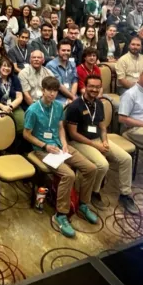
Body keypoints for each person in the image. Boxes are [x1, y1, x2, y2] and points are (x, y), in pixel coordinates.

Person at [24, 76, 98, 238]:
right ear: (43, 90)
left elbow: (60, 128)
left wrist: (64, 143)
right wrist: (44, 146)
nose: (52, 94)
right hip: (43, 149)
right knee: (69, 174)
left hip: (59, 146)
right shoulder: (33, 110)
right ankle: (61, 215)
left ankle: (83, 204)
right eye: (49, 90)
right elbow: (26, 135)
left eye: (55, 91)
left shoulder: (58, 107)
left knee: (91, 168)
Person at [66, 75, 137, 214]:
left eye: (97, 87)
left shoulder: (99, 103)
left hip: (98, 139)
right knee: (103, 164)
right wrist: (96, 146)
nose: (94, 89)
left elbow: (103, 127)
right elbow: (73, 134)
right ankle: (94, 191)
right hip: (79, 141)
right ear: (85, 87)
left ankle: (125, 194)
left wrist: (104, 140)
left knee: (126, 159)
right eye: (91, 86)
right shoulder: (75, 106)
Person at [0, 57, 25, 132]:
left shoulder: (15, 78)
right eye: (4, 66)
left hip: (13, 106)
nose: (6, 68)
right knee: (0, 125)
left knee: (22, 123)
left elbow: (19, 97)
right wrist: (2, 107)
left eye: (9, 66)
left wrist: (10, 107)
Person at [46, 40, 78, 104]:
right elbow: (59, 85)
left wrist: (72, 97)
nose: (66, 52)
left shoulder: (72, 64)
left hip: (72, 95)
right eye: (63, 50)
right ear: (57, 51)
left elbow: (75, 81)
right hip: (58, 98)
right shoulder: (51, 65)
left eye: (68, 50)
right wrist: (72, 98)